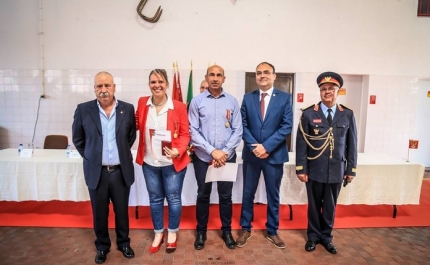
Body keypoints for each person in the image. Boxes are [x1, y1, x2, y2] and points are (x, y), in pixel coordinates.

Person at [72, 71, 136, 264]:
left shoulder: (127, 108)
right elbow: (78, 139)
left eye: (107, 85)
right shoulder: (84, 110)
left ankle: (124, 243)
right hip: (97, 172)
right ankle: (102, 246)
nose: (104, 90)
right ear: (94, 89)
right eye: (99, 86)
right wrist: (92, 157)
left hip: (119, 171)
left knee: (122, 211)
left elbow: (130, 136)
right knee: (99, 212)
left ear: (114, 87)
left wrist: (119, 155)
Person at [295, 71, 357, 254]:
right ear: (320, 92)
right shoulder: (308, 114)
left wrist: (351, 170)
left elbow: (351, 145)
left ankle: (326, 237)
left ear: (339, 91)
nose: (327, 92)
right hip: (314, 169)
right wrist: (301, 168)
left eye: (331, 88)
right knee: (314, 206)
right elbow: (301, 144)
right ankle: (313, 237)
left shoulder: (346, 114)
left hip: (337, 169)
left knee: (330, 206)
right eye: (324, 89)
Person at [237, 62, 293, 249]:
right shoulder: (248, 98)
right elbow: (242, 125)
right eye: (259, 73)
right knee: (247, 193)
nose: (262, 76)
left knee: (273, 194)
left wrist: (266, 147)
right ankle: (245, 228)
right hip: (252, 155)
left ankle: (272, 230)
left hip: (274, 155)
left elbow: (286, 126)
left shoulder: (285, 98)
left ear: (274, 76)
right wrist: (255, 147)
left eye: (266, 72)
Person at [135, 69, 190, 254]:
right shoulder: (143, 103)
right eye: (153, 82)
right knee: (155, 199)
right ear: (149, 84)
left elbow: (185, 134)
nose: (156, 85)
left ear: (167, 84)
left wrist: (178, 150)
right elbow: (135, 123)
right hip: (150, 162)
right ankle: (158, 233)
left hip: (172, 164)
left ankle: (172, 232)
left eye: (160, 81)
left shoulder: (179, 107)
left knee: (174, 199)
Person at [188, 64, 243, 250]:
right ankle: (201, 232)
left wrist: (224, 152)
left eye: (219, 75)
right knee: (203, 195)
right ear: (206, 77)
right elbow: (192, 130)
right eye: (211, 75)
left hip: (227, 157)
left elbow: (238, 130)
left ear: (224, 79)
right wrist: (213, 151)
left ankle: (226, 231)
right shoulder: (197, 101)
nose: (215, 78)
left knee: (225, 196)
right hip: (203, 158)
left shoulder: (232, 101)